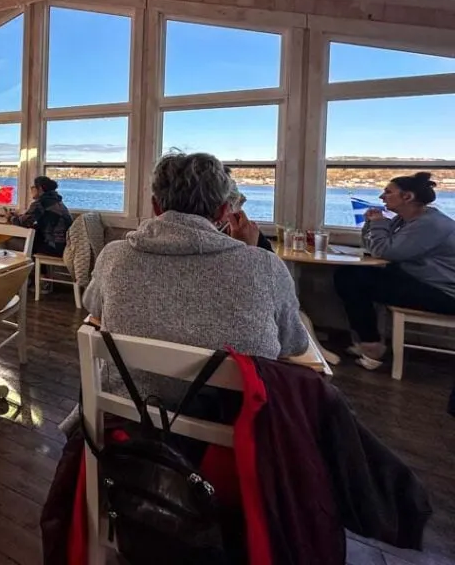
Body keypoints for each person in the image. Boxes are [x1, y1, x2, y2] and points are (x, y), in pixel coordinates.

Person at [83, 151, 308, 399]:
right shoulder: (266, 266)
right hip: (234, 425)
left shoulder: (114, 255)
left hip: (132, 411)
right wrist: (250, 252)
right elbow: (294, 344)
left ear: (156, 206)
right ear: (224, 211)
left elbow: (92, 306)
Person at [334, 172, 455, 370]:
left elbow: (385, 251)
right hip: (424, 279)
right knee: (350, 275)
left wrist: (377, 223)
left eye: (388, 192)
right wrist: (371, 224)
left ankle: (371, 345)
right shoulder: (407, 220)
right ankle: (369, 341)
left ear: (408, 197)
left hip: (445, 292)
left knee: (350, 278)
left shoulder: (430, 224)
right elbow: (374, 247)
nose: (382, 197)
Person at [8, 175, 72, 256]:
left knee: (12, 242)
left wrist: (10, 217)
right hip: (64, 245)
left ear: (40, 189)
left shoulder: (41, 203)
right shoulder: (56, 200)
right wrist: (19, 217)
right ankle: (37, 268)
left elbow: (23, 223)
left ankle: (28, 268)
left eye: (33, 187)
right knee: (32, 239)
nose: (31, 189)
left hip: (54, 246)